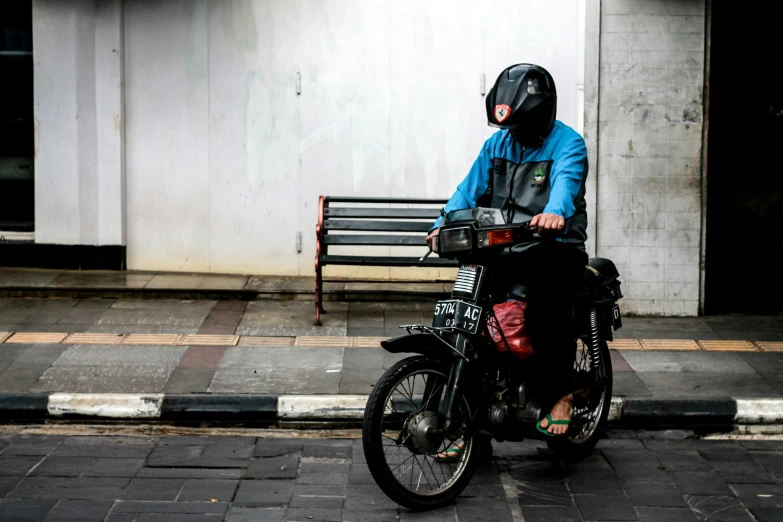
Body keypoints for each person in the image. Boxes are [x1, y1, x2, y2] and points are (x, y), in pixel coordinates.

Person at [428, 63, 589, 453]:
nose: (514, 135)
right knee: (461, 316)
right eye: (510, 127)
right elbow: (467, 193)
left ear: (542, 115)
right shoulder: (496, 145)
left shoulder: (569, 144)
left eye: (522, 126)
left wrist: (555, 212)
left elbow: (566, 185)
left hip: (554, 248)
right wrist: (439, 225)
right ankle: (454, 417)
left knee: (544, 310)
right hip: (503, 249)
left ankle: (561, 395)